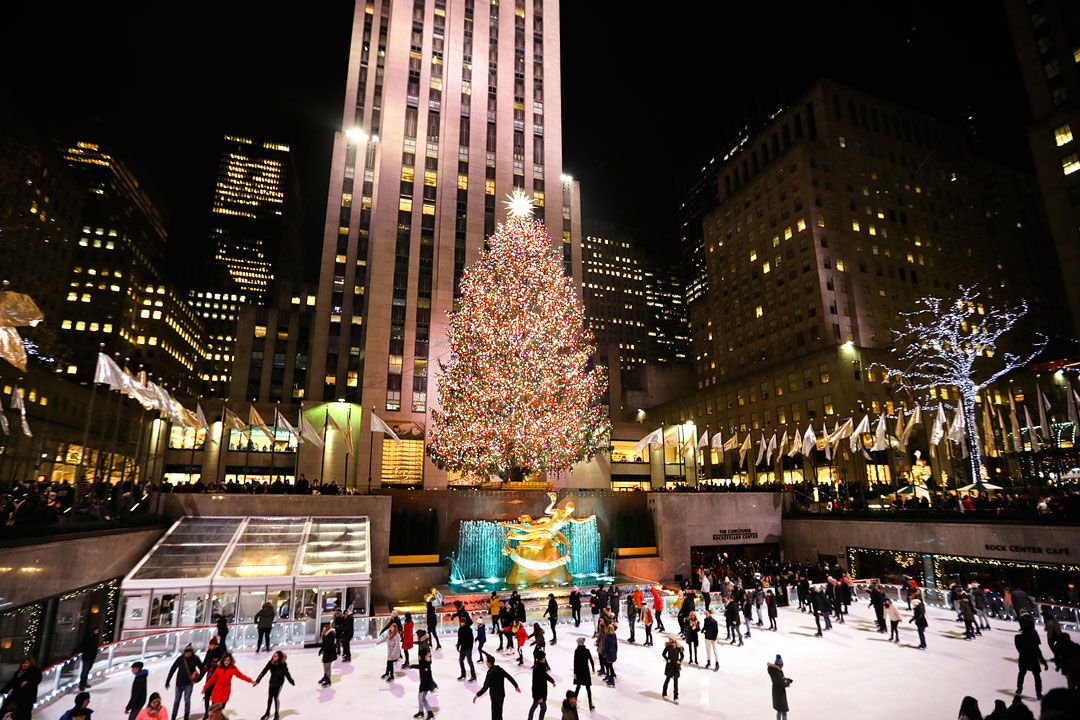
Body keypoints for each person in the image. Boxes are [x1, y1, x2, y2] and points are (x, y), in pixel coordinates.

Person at [473, 653, 520, 720]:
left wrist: (477, 695)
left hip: (495, 697)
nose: (486, 664)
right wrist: (516, 686)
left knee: (495, 715)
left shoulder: (490, 673)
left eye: (486, 662)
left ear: (489, 663)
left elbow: (485, 687)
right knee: (499, 713)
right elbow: (509, 677)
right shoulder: (500, 669)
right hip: (501, 695)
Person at [1015, 616, 1048, 699]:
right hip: (1032, 658)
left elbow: (1020, 650)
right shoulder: (1033, 634)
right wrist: (1043, 661)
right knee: (1036, 675)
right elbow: (1037, 649)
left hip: (1023, 657)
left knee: (1022, 673)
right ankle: (1038, 693)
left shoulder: (1017, 638)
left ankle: (1019, 689)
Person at [254, 651, 294, 720]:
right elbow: (264, 671)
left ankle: (276, 713)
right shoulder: (270, 663)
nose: (274, 657)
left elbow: (287, 674)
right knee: (270, 698)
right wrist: (258, 680)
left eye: (276, 656)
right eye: (273, 656)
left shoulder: (282, 664)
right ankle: (267, 712)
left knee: (276, 698)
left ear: (279, 658)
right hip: (272, 682)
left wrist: (291, 681)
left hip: (279, 683)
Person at [527, 650, 556, 720]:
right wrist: (539, 697)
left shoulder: (540, 666)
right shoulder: (538, 668)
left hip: (539, 693)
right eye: (544, 657)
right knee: (542, 708)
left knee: (535, 706)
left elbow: (545, 675)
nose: (545, 658)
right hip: (539, 694)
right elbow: (536, 684)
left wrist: (552, 681)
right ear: (541, 658)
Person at [572, 638, 595, 711]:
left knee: (578, 688)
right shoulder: (586, 650)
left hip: (579, 672)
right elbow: (591, 660)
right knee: (588, 689)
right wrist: (593, 669)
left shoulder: (577, 651)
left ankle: (574, 703)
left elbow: (575, 663)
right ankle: (590, 705)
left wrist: (575, 673)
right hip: (585, 671)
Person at [767, 655, 792, 720]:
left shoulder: (773, 671)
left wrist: (785, 679)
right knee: (784, 712)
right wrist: (788, 682)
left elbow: (779, 680)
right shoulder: (777, 673)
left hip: (775, 692)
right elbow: (783, 684)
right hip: (780, 694)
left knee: (779, 710)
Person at [415, 646, 436, 720]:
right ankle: (421, 712)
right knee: (419, 697)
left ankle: (430, 714)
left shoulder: (426, 665)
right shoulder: (423, 663)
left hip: (426, 685)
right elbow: (419, 666)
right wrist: (411, 666)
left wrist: (421, 689)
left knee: (422, 699)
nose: (418, 657)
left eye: (419, 656)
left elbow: (425, 678)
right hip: (423, 684)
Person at [662, 635, 684, 703]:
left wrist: (679, 660)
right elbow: (663, 654)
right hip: (670, 665)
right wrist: (667, 659)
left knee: (675, 681)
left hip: (676, 666)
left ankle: (676, 697)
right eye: (669, 639)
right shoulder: (668, 646)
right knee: (667, 679)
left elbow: (682, 655)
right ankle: (664, 692)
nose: (669, 640)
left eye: (670, 639)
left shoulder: (678, 647)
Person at [79, 626, 101, 690]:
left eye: (98, 630)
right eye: (96, 630)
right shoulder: (89, 637)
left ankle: (84, 683)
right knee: (85, 671)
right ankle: (81, 684)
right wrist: (73, 652)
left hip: (91, 657)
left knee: (87, 670)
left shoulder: (96, 638)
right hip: (87, 656)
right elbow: (82, 644)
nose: (97, 631)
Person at [457, 617, 477, 681]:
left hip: (468, 648)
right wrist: (458, 645)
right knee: (460, 661)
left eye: (462, 622)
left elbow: (471, 640)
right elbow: (459, 638)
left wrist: (470, 648)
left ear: (465, 623)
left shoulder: (469, 629)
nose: (461, 623)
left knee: (469, 662)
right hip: (462, 648)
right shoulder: (460, 629)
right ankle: (463, 674)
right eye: (460, 622)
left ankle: (473, 676)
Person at [599, 623, 618, 687]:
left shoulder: (607, 636)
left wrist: (603, 653)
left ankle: (612, 680)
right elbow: (616, 645)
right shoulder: (614, 635)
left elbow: (605, 646)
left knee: (609, 666)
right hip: (613, 653)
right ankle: (610, 678)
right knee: (610, 666)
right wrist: (615, 652)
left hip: (608, 654)